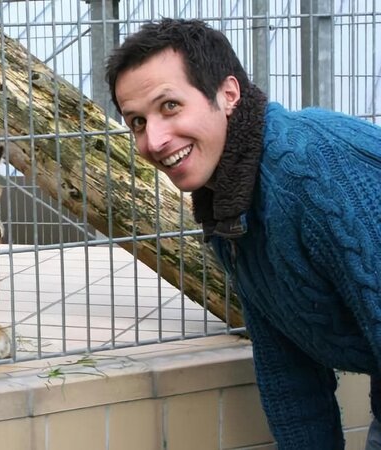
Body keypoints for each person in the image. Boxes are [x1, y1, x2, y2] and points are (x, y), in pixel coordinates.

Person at [105, 18, 381, 449]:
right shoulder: (228, 201)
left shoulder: (309, 173)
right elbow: (286, 364)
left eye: (170, 106)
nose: (154, 140)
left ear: (228, 94)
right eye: (137, 122)